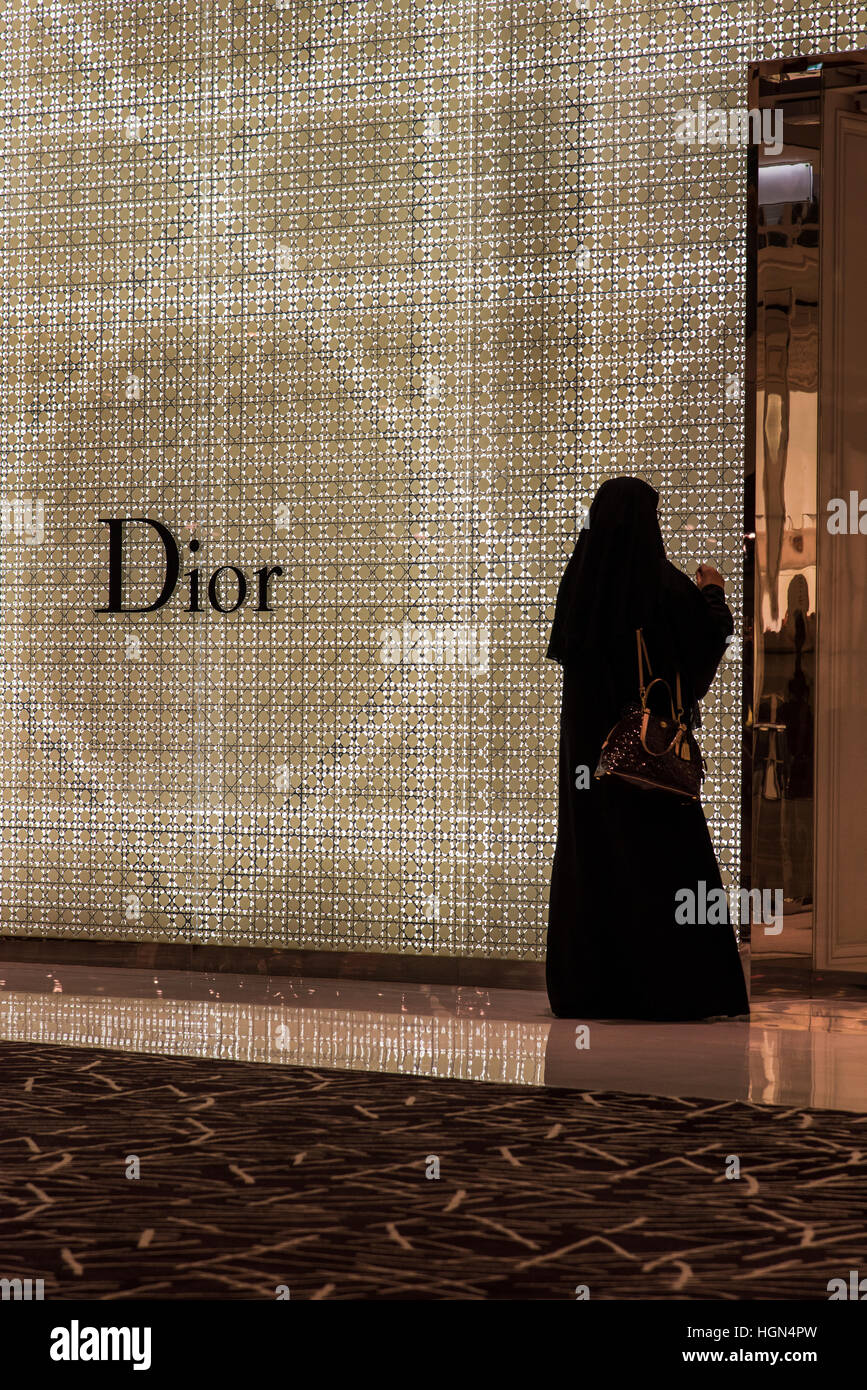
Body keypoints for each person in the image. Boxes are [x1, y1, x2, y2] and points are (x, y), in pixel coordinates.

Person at [545, 476, 750, 1021]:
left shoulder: (581, 584)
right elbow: (705, 643)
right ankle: (672, 988)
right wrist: (713, 592)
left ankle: (592, 988)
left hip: (592, 761)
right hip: (648, 767)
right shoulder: (660, 585)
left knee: (595, 862)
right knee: (661, 867)